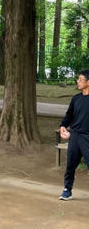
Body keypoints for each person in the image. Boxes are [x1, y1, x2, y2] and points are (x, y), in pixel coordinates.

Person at [59, 69, 89, 201]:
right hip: (75, 136)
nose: (78, 81)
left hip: (87, 137)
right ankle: (67, 190)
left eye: (80, 79)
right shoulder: (76, 98)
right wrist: (63, 126)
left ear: (88, 82)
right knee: (70, 164)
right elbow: (68, 115)